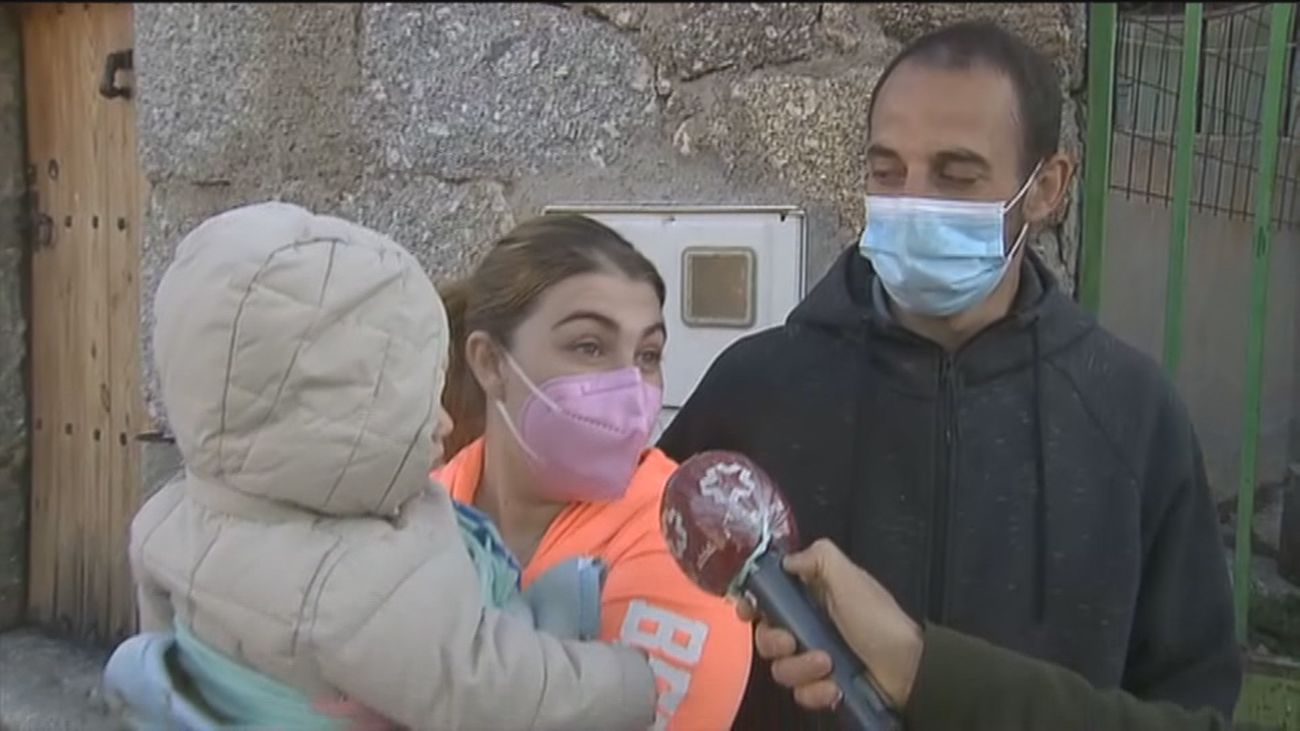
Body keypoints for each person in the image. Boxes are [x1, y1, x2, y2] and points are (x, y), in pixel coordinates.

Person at [659, 19, 1242, 729]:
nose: (912, 201)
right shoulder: (754, 389)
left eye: (956, 175)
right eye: (886, 172)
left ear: (1046, 187)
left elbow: (1193, 705)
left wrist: (927, 672)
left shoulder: (1132, 416)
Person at [105, 202, 658, 730]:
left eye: (649, 355)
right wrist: (626, 682)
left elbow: (167, 647)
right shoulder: (354, 579)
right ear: (320, 411)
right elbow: (481, 687)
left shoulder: (168, 515)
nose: (445, 421)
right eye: (406, 399)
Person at [434, 214, 754, 730]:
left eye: (647, 355)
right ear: (490, 363)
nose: (630, 386)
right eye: (589, 347)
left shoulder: (687, 544)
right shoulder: (422, 505)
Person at [742, 538, 1229, 731]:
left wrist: (921, 671)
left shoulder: (1141, 412)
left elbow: (1194, 681)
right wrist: (916, 668)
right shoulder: (753, 388)